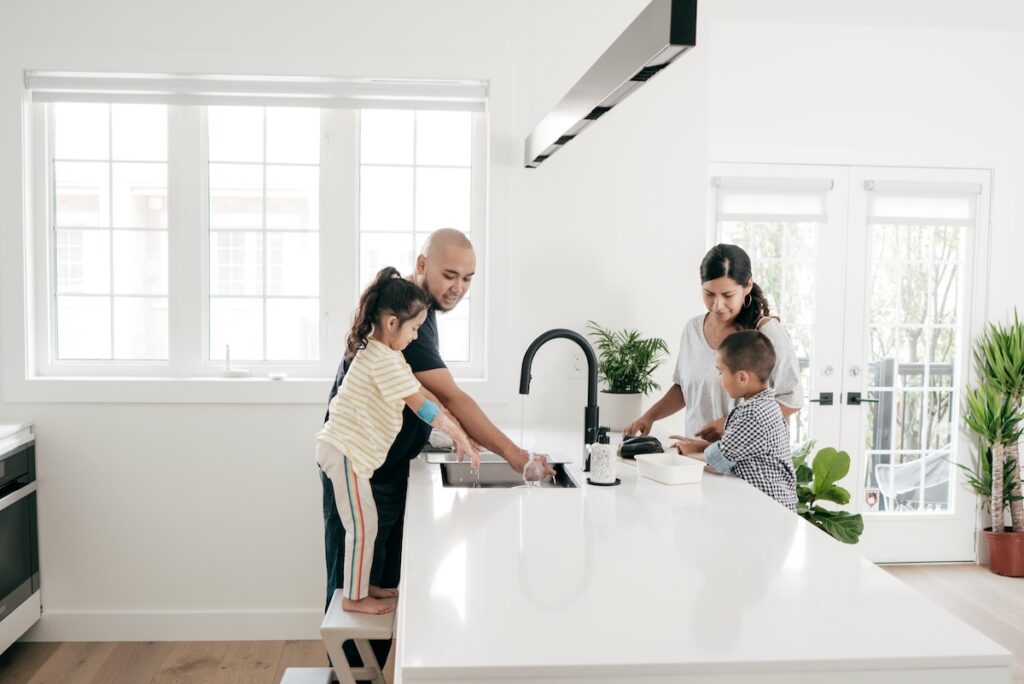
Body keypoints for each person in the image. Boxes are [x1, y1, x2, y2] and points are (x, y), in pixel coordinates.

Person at [321, 229, 554, 668]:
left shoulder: (415, 314)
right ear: (422, 264)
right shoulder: (412, 321)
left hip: (383, 468)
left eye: (468, 278)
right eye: (450, 274)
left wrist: (447, 435)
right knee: (354, 587)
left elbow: (419, 400)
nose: (459, 288)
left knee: (382, 590)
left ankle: (362, 675)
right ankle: (348, 677)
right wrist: (515, 455)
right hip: (361, 468)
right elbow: (448, 401)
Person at [316, 267, 479, 615]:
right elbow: (423, 407)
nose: (417, 335)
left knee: (367, 526)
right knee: (361, 527)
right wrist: (458, 435)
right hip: (343, 452)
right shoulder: (382, 359)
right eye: (415, 328)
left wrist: (459, 433)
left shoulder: (389, 356)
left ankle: (363, 586)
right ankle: (353, 598)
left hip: (352, 454)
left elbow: (422, 392)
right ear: (392, 324)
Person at [623, 243, 803, 444]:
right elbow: (685, 388)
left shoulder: (767, 334)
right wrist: (649, 417)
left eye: (727, 295)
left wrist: (730, 423)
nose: (717, 305)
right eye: (709, 294)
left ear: (747, 286)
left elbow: (791, 401)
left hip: (747, 463)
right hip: (696, 457)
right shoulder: (692, 329)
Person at [674, 330, 798, 510]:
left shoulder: (753, 414)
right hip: (765, 505)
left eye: (720, 372)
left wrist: (687, 455)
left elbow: (718, 462)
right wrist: (696, 445)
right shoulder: (765, 406)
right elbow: (736, 448)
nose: (719, 378)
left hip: (768, 508)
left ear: (742, 377)